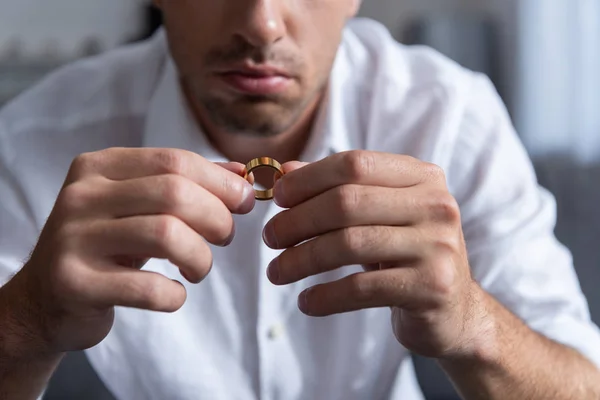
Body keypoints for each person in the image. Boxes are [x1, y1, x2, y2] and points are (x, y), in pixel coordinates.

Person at [1, 1, 599, 399]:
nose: (261, 25)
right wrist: (26, 320)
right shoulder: (34, 138)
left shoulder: (448, 117)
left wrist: (472, 324)